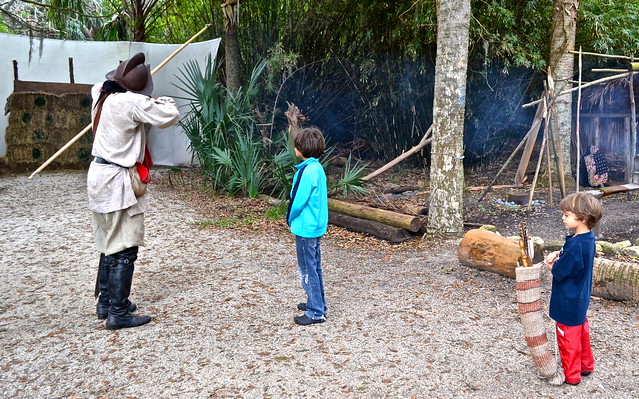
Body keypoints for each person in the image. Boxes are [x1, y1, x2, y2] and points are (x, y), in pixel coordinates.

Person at [88, 53, 180, 330]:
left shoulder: (100, 93)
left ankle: (106, 302)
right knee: (124, 248)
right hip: (116, 180)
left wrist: (124, 79)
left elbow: (106, 83)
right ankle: (118, 313)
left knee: (108, 243)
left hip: (98, 175)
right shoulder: (130, 102)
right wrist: (158, 99)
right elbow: (170, 115)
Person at [544, 192, 604, 385]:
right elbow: (571, 256)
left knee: (567, 336)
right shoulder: (587, 239)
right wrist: (558, 253)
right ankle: (586, 365)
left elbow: (561, 270)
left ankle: (571, 375)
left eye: (567, 215)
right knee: (581, 331)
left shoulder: (576, 245)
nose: (563, 218)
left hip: (568, 298)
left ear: (583, 218)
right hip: (580, 296)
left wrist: (552, 264)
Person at [287, 127, 329, 326]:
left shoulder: (306, 171)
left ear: (299, 150)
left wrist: (289, 218)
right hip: (316, 225)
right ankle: (317, 302)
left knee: (307, 269)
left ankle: (315, 312)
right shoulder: (318, 168)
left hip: (305, 227)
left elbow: (297, 200)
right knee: (315, 266)